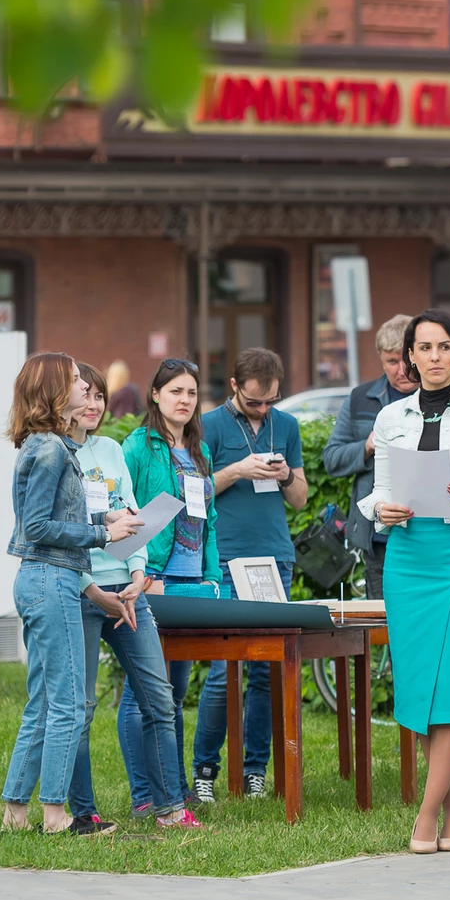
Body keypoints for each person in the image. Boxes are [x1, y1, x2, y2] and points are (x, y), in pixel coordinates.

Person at [359, 309, 450, 853]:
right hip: (405, 556)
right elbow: (378, 491)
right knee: (420, 683)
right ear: (410, 357)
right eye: (424, 347)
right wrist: (383, 510)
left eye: (443, 346)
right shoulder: (390, 416)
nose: (434, 356)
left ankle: (425, 816)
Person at [2, 353, 142, 834]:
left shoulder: (46, 445)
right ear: (53, 392)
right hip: (52, 579)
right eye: (77, 380)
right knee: (68, 704)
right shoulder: (50, 450)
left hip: (42, 578)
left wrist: (106, 518)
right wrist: (104, 534)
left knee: (44, 702)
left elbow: (55, 517)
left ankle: (16, 814)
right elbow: (38, 527)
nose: (85, 387)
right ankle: (56, 814)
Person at [66, 362, 202, 834]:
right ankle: (83, 812)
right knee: (81, 708)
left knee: (159, 698)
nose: (94, 405)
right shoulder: (54, 452)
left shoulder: (108, 449)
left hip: (128, 589)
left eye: (99, 396)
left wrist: (139, 573)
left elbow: (132, 513)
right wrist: (91, 587)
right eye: (85, 395)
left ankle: (169, 809)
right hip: (81, 591)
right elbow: (55, 532)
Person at [192, 348, 307, 802]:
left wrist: (285, 476)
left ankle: (255, 769)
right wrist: (238, 470)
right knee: (225, 669)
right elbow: (196, 494)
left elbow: (300, 498)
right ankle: (205, 769)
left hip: (275, 557)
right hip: (225, 558)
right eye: (254, 401)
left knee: (264, 670)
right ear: (234, 387)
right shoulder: (209, 426)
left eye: (270, 401)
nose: (262, 409)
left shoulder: (287, 426)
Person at [120, 357, 221, 820]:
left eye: (192, 393)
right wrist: (141, 572)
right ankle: (145, 795)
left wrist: (213, 577)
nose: (185, 400)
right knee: (142, 692)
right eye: (176, 391)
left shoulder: (200, 451)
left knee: (175, 693)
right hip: (151, 580)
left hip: (192, 583)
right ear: (156, 395)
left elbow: (210, 521)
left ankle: (174, 787)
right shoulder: (137, 446)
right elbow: (123, 510)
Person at [322, 314, 415, 598]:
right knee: (384, 619)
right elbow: (332, 458)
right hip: (378, 536)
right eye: (392, 362)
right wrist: (367, 446)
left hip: (427, 530)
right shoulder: (360, 398)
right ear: (380, 359)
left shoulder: (439, 397)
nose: (401, 370)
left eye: (406, 360)